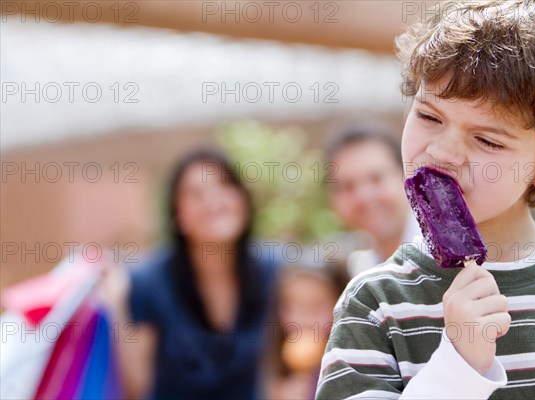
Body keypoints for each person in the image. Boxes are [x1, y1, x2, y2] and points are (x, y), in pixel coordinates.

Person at [316, 1, 535, 399]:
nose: (443, 152)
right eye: (429, 117)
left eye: (487, 140)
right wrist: (457, 368)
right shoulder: (376, 301)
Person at [103, 148, 278, 399]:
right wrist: (116, 308)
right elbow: (137, 387)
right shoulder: (147, 282)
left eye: (225, 185)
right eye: (196, 193)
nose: (214, 200)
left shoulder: (275, 271)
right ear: (178, 216)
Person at [325, 121, 420, 277]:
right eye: (348, 186)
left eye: (376, 178)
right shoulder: (361, 269)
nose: (364, 196)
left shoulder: (448, 251)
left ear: (407, 175)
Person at [264, 260, 348, 400]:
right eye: (291, 305)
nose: (303, 319)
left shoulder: (355, 373)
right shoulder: (273, 372)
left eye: (316, 305)